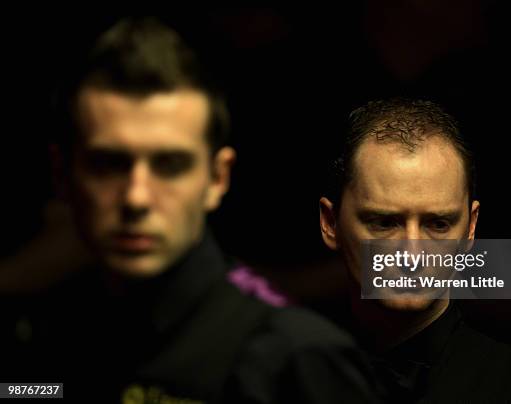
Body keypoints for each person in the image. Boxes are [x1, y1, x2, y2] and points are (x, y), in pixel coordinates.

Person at [0, 18, 384, 404]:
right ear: (62, 175)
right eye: (109, 164)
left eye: (170, 165)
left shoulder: (295, 361)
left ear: (217, 179)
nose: (136, 198)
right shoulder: (35, 337)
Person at [319, 97, 511, 403]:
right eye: (384, 222)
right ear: (331, 223)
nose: (412, 253)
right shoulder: (274, 382)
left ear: (470, 228)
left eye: (439, 224)